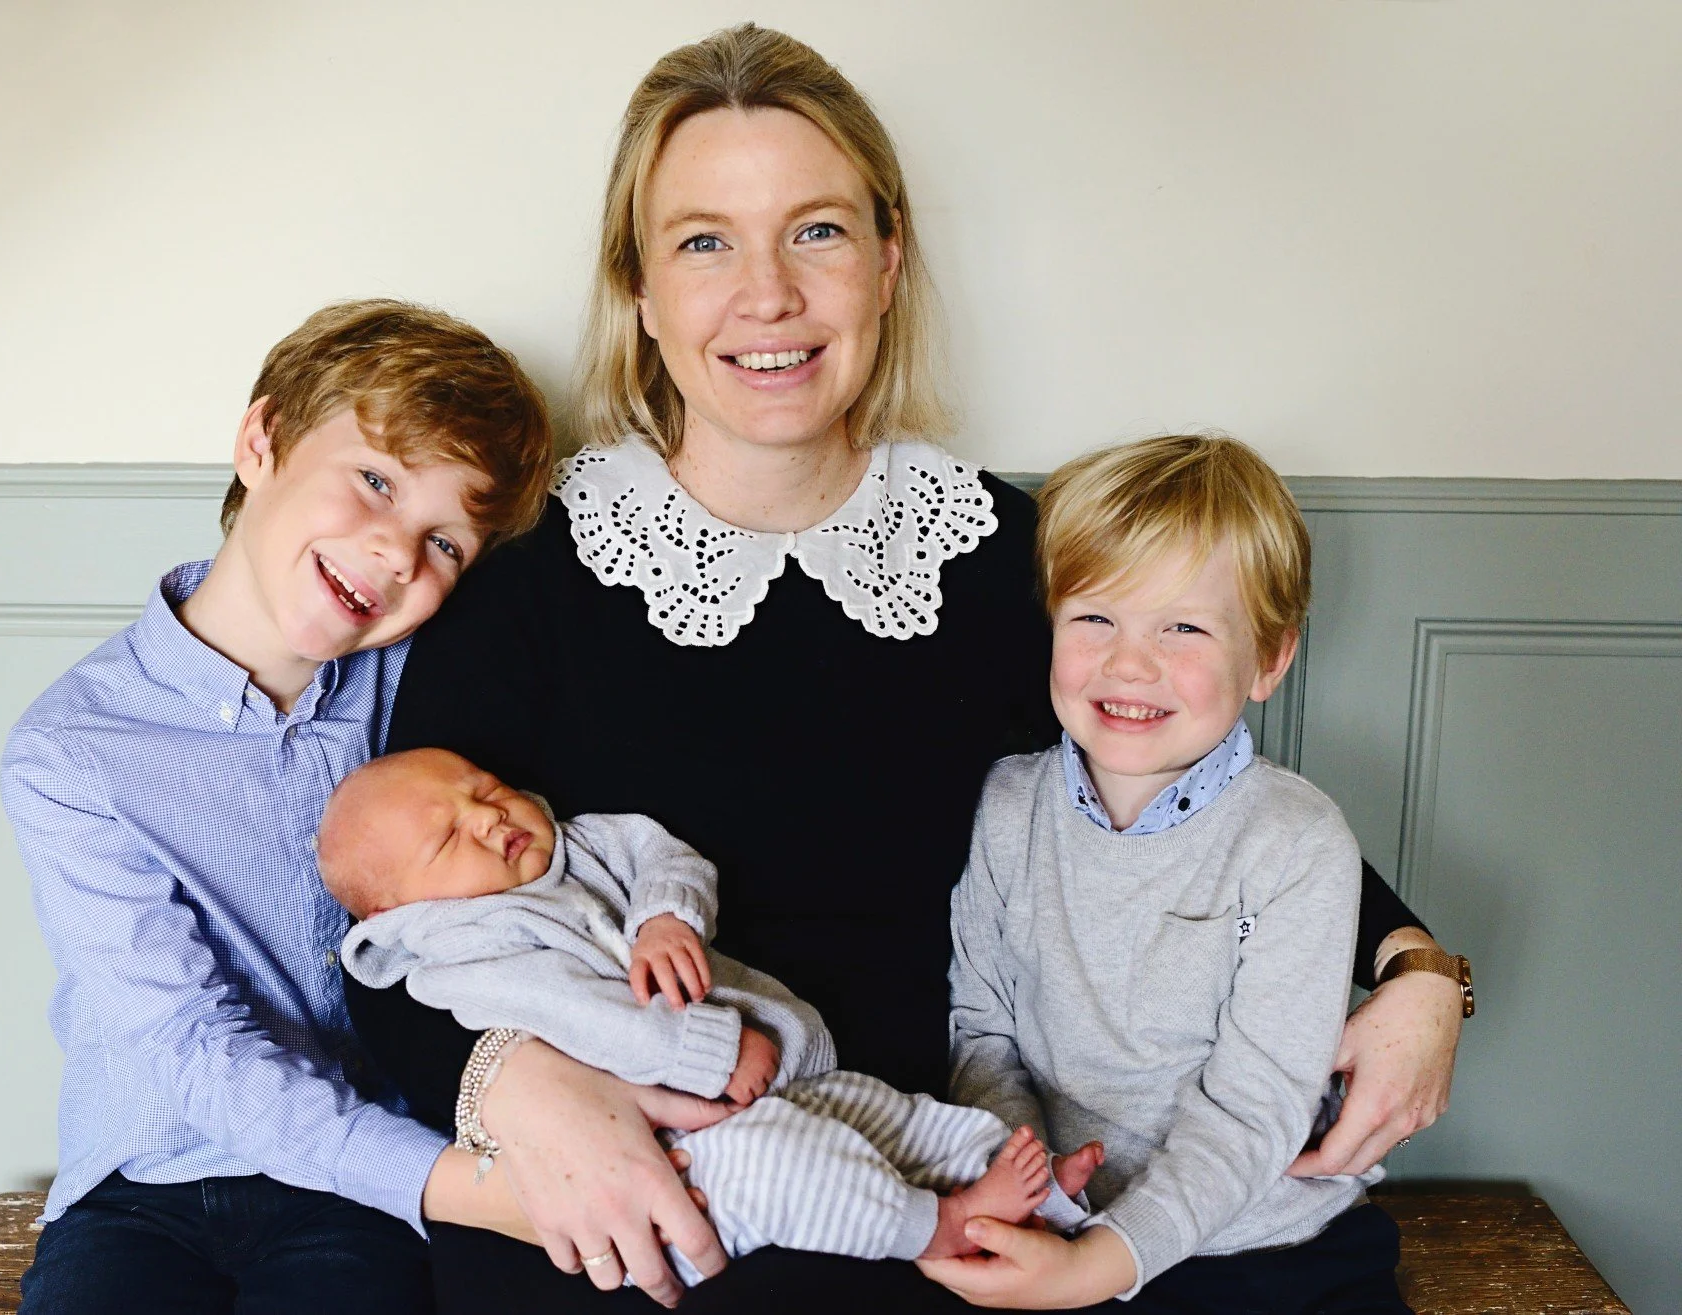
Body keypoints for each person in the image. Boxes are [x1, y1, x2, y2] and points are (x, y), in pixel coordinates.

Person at [349, 25, 1468, 1313]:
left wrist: (1420, 967)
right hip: (647, 1168)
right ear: (641, 290)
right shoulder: (527, 597)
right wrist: (512, 1083)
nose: (766, 293)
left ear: (887, 262)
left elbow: (1186, 796)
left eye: (816, 232)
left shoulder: (1003, 559)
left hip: (940, 1171)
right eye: (704, 239)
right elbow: (389, 920)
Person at [0, 299, 553, 1314]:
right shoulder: (70, 751)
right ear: (263, 441)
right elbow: (190, 1044)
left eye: (446, 543)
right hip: (139, 1183)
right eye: (376, 482)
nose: (396, 554)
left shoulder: (421, 694)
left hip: (350, 1193)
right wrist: (468, 1188)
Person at [928, 434, 1411, 1312]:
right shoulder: (1005, 807)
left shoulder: (1296, 843)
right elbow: (983, 1032)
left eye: (1182, 626)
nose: (1129, 660)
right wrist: (1035, 1183)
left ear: (1270, 659)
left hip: (1261, 1240)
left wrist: (1109, 1258)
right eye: (1094, 618)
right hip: (1058, 1221)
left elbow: (1254, 1107)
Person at [317, 748, 1102, 1286]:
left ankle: (1044, 1200)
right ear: (398, 912)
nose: (488, 816)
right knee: (796, 1169)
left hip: (791, 1079)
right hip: (687, 1147)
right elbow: (586, 1018)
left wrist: (668, 917)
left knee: (897, 1118)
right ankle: (942, 1226)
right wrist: (709, 1050)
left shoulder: (583, 842)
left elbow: (670, 857)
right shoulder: (464, 950)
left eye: (484, 789)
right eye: (450, 834)